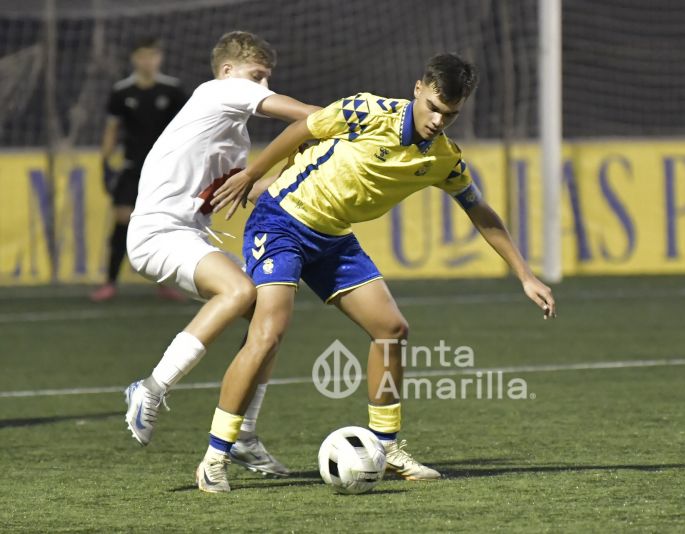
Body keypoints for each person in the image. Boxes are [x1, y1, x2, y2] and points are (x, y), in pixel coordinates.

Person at [197, 53, 557, 493]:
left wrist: (525, 275)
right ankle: (215, 455)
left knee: (391, 329)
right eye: (435, 108)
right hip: (282, 223)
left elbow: (480, 211)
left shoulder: (444, 158)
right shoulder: (367, 111)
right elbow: (301, 130)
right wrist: (253, 174)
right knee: (269, 332)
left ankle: (385, 449)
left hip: (333, 239)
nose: (440, 120)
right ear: (419, 89)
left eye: (451, 114)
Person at [122, 31, 319, 481]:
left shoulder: (232, 138)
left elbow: (250, 191)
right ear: (229, 71)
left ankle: (245, 434)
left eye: (268, 80)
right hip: (158, 232)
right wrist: (345, 120)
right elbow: (306, 115)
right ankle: (151, 388)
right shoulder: (216, 92)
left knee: (266, 311)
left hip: (188, 232)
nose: (263, 88)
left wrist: (299, 168)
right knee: (239, 290)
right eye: (257, 77)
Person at [91, 37, 187, 302]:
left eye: (153, 55)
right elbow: (111, 130)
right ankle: (110, 282)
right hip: (132, 167)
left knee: (164, 224)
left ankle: (165, 282)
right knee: (123, 219)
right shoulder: (122, 91)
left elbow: (188, 129)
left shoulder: (173, 90)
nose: (148, 61)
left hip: (166, 170)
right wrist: (105, 161)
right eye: (142, 56)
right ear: (134, 59)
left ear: (160, 58)